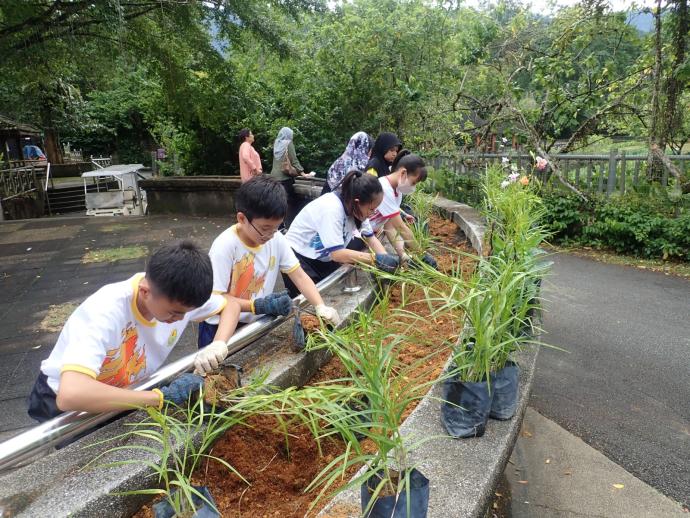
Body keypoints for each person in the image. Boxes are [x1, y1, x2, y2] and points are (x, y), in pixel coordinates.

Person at [27, 241, 242, 423]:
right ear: (145, 291)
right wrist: (159, 398)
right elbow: (71, 394)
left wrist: (218, 344)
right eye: (174, 313)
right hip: (65, 401)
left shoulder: (176, 295)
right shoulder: (105, 311)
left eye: (187, 313)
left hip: (124, 389)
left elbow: (230, 305)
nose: (180, 319)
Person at [199, 176, 340, 348]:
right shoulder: (225, 246)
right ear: (242, 219)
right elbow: (216, 299)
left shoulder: (276, 239)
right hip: (219, 328)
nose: (270, 234)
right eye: (265, 228)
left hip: (254, 321)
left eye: (276, 227)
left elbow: (299, 275)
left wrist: (320, 306)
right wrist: (258, 305)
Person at [283, 170, 400, 296]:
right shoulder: (332, 209)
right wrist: (375, 259)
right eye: (371, 209)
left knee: (328, 294)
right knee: (310, 305)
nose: (372, 214)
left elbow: (371, 238)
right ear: (357, 202)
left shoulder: (357, 211)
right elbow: (337, 254)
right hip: (299, 257)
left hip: (321, 257)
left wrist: (386, 260)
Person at [367, 150, 437, 267]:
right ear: (403, 173)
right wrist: (421, 253)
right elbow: (401, 227)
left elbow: (390, 227)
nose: (413, 187)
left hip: (370, 234)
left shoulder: (397, 191)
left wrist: (402, 254)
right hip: (357, 236)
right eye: (413, 182)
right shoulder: (384, 189)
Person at [270, 127, 304, 226]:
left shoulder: (276, 143)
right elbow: (294, 160)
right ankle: (290, 224)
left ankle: (278, 225)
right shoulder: (288, 143)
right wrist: (302, 172)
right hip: (284, 178)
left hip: (273, 177)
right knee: (292, 202)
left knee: (277, 202)